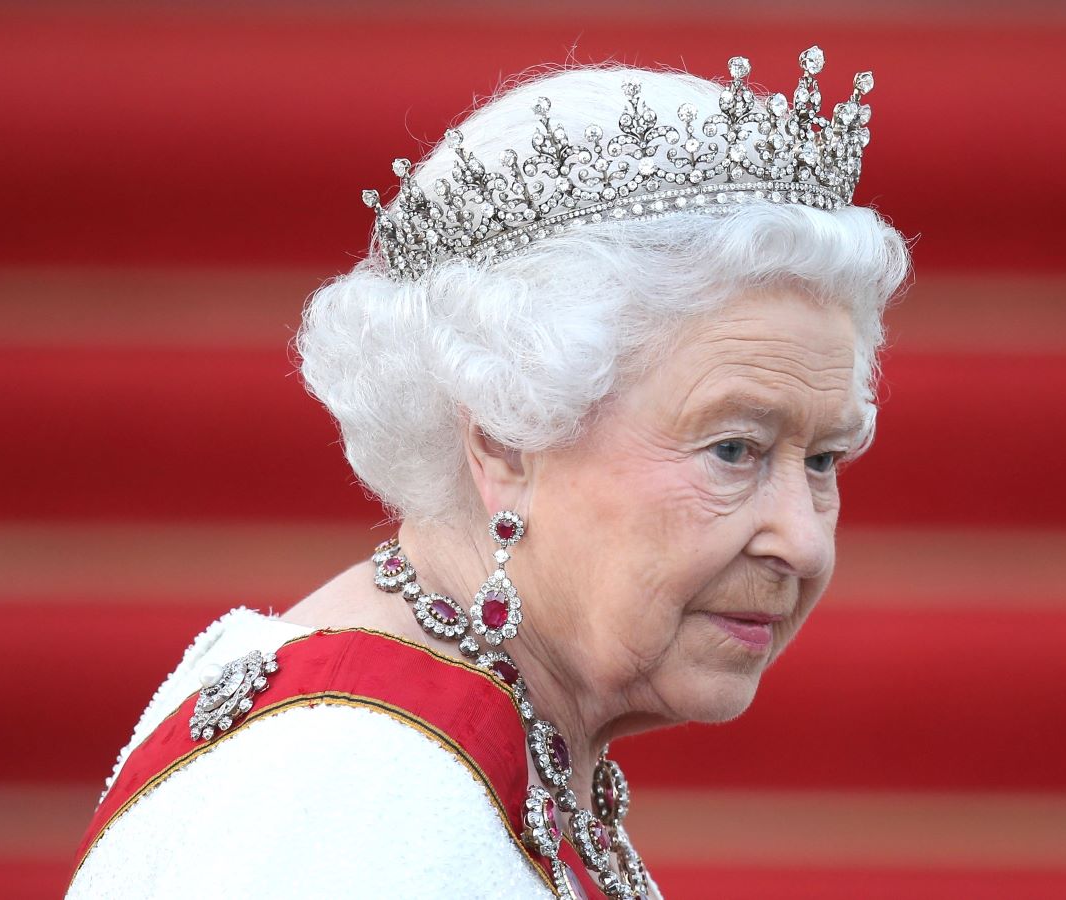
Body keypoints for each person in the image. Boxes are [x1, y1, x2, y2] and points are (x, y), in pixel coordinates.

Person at [69, 46, 908, 899]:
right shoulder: (354, 807)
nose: (802, 541)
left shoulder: (474, 747)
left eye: (826, 459)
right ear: (507, 440)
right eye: (733, 451)